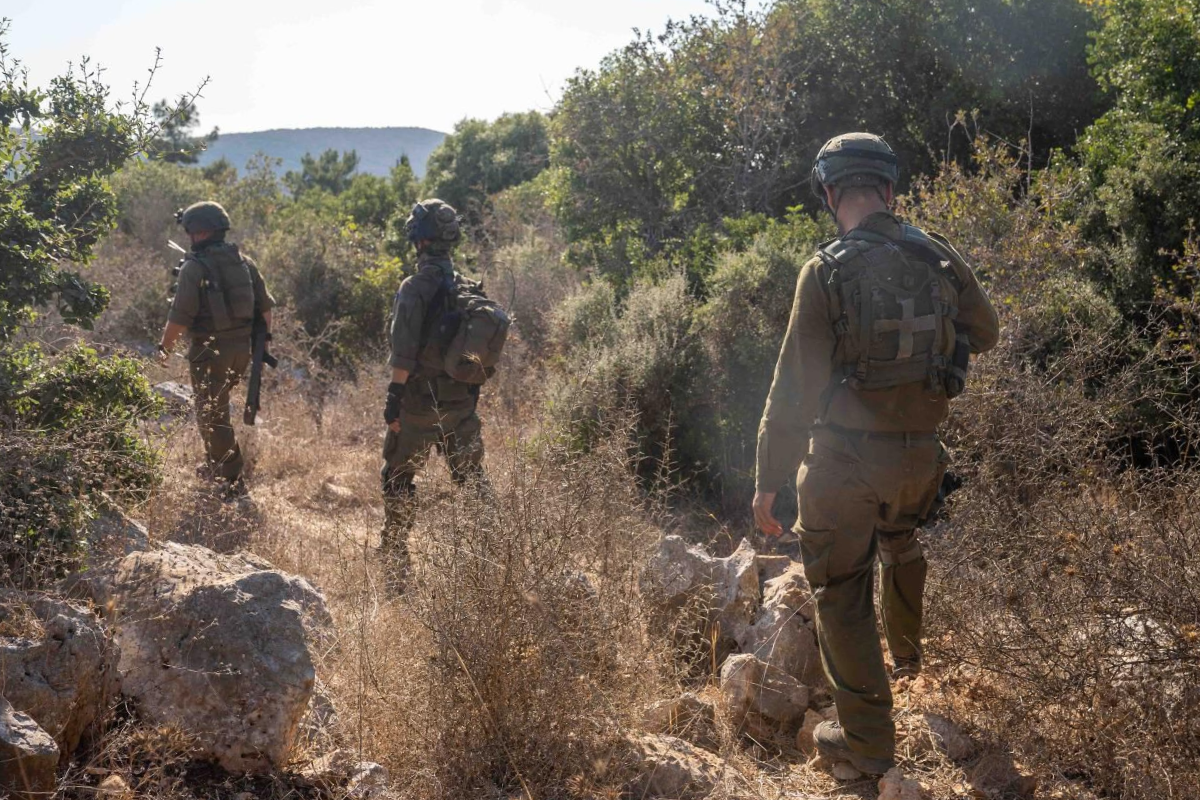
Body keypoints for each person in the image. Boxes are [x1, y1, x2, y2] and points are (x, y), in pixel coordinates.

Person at [752, 133, 1000, 775]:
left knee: (841, 592)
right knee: (902, 540)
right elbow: (989, 331)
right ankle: (911, 659)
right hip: (921, 460)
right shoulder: (937, 257)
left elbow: (791, 390)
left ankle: (865, 745)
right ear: (889, 189)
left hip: (845, 466)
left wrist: (767, 482)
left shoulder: (825, 270)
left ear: (831, 194)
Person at [379, 199, 487, 582]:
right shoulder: (467, 287)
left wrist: (393, 402)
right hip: (461, 407)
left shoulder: (415, 287)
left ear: (418, 240)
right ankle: (497, 554)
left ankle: (394, 557)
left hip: (420, 406)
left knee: (398, 478)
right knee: (473, 482)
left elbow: (403, 354)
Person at [158, 201, 274, 498]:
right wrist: (259, 345)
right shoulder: (245, 263)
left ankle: (233, 478)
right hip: (242, 351)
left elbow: (179, 317)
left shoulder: (193, 269)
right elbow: (267, 309)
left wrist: (163, 350)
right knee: (215, 410)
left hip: (210, 352)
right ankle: (214, 465)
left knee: (212, 416)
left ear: (201, 232)